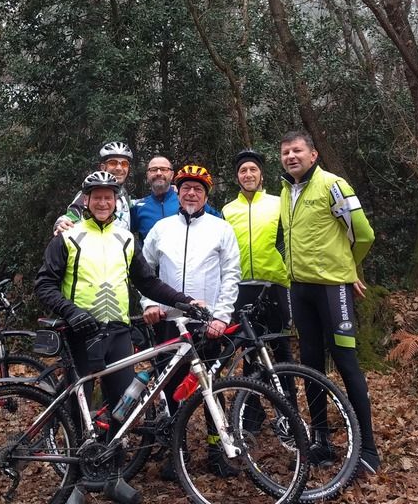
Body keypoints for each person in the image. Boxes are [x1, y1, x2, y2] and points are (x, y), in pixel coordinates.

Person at [35, 170, 194, 435]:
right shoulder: (68, 237)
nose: (102, 203)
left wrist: (184, 301)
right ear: (85, 200)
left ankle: (114, 467)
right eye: (96, 197)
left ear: (115, 202)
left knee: (123, 405)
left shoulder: (126, 239)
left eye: (107, 198)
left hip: (119, 332)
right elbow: (44, 284)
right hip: (81, 332)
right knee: (78, 406)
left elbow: (148, 282)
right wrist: (70, 312)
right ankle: (74, 471)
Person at [278, 130, 380, 476]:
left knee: (347, 363)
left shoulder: (333, 185)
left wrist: (347, 269)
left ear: (313, 155)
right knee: (310, 366)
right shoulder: (285, 190)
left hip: (332, 288)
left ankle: (367, 447)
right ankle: (322, 440)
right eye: (285, 152)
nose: (291, 156)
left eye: (297, 151)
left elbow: (363, 233)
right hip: (300, 289)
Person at [141, 164, 241, 476]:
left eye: (198, 189)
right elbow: (144, 272)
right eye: (186, 188)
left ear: (206, 195)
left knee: (211, 386)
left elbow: (231, 275)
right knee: (171, 387)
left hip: (207, 322)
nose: (191, 193)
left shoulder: (220, 228)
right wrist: (148, 304)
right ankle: (176, 450)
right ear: (178, 192)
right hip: (169, 320)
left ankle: (216, 450)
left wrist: (222, 316)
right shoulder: (162, 228)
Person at [221, 149, 293, 367]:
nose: (248, 174)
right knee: (249, 350)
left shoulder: (279, 202)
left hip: (275, 284)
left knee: (282, 347)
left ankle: (287, 398)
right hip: (242, 286)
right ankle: (251, 401)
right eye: (243, 171)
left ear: (262, 175)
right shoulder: (227, 210)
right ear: (237, 177)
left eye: (253, 169)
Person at [130, 155, 222, 243]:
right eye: (153, 170)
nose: (158, 173)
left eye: (164, 169)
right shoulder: (139, 207)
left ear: (172, 174)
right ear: (147, 174)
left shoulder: (187, 200)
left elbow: (219, 225)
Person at [54, 141, 134, 234]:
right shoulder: (90, 194)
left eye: (124, 164)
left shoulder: (123, 193)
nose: (119, 168)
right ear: (103, 167)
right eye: (113, 163)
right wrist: (62, 223)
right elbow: (74, 212)